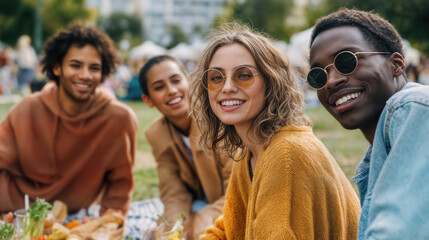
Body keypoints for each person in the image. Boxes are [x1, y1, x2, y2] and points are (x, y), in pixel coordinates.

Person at [188, 23, 360, 240]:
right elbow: (230, 228)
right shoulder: (250, 152)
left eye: (243, 75)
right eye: (216, 78)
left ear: (272, 82)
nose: (228, 87)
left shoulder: (286, 154)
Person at [307, 9, 429, 239]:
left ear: (396, 65)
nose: (331, 82)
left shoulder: (412, 107)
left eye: (346, 61)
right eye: (318, 76)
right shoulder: (375, 157)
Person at [0, 24, 138, 218]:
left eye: (94, 68)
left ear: (103, 73)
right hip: (13, 208)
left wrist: (108, 226)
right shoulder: (27, 109)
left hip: (70, 215)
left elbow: (120, 184)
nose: (85, 75)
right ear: (57, 68)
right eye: (75, 65)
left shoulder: (118, 118)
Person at [139, 55, 232, 240]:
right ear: (148, 100)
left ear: (189, 82)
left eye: (176, 80)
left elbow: (238, 189)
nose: (172, 90)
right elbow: (173, 190)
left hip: (237, 200)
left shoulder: (219, 117)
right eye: (159, 87)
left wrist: (202, 221)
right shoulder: (156, 133)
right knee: (161, 230)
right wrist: (174, 228)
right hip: (200, 202)